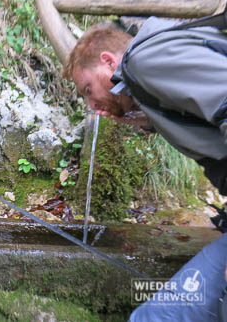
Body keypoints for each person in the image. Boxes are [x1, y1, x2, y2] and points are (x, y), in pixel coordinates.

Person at [62, 17, 227, 321]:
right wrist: (149, 118)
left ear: (108, 61)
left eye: (88, 89)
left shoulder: (145, 60)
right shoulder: (154, 67)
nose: (91, 103)